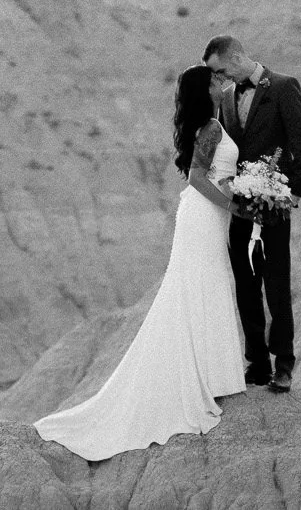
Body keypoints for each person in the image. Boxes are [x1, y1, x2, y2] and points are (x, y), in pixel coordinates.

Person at [33, 65, 245, 458]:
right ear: (206, 89)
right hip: (204, 215)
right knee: (198, 287)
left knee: (207, 286)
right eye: (216, 80)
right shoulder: (212, 129)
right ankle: (197, 380)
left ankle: (209, 374)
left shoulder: (213, 123)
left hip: (207, 216)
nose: (222, 83)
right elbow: (199, 178)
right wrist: (234, 204)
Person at [203, 34, 301, 393]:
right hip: (238, 206)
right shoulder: (226, 98)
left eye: (221, 70)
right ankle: (257, 365)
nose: (219, 79)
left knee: (276, 285)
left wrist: (291, 195)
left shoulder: (283, 87)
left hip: (274, 207)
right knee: (245, 286)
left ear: (236, 58)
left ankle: (284, 363)